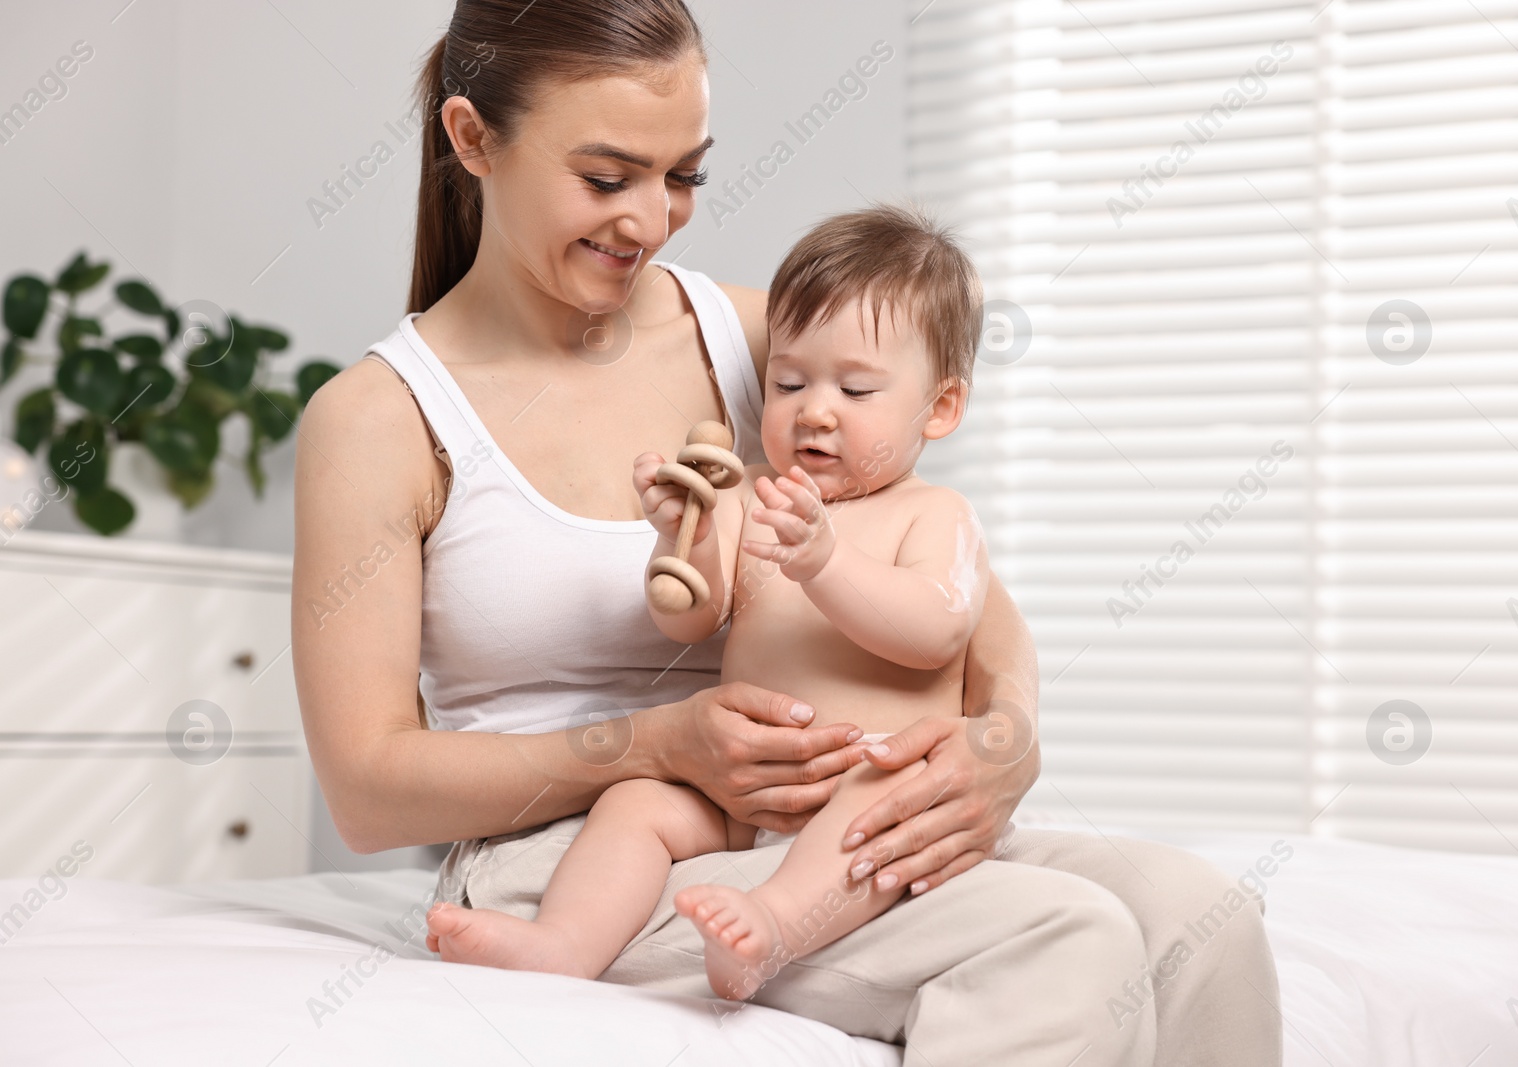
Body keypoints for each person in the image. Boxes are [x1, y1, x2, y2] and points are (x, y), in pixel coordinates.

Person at [291, 1, 1282, 1063]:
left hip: (807, 815)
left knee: (1200, 912)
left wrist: (1005, 734)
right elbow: (366, 790)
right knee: (1061, 936)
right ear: (472, 137)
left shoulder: (765, 342)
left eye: (685, 176)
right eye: (606, 177)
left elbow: (958, 585)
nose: (653, 220)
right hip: (576, 860)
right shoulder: (380, 418)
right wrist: (656, 742)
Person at [425, 204, 996, 1001]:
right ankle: (561, 943)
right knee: (635, 802)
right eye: (789, 381)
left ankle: (772, 925)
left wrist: (826, 561)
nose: (815, 409)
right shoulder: (758, 495)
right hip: (744, 794)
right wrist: (679, 537)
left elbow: (935, 629)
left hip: (861, 769)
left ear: (939, 408)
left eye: (856, 388)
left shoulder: (933, 514)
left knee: (878, 811)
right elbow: (690, 615)